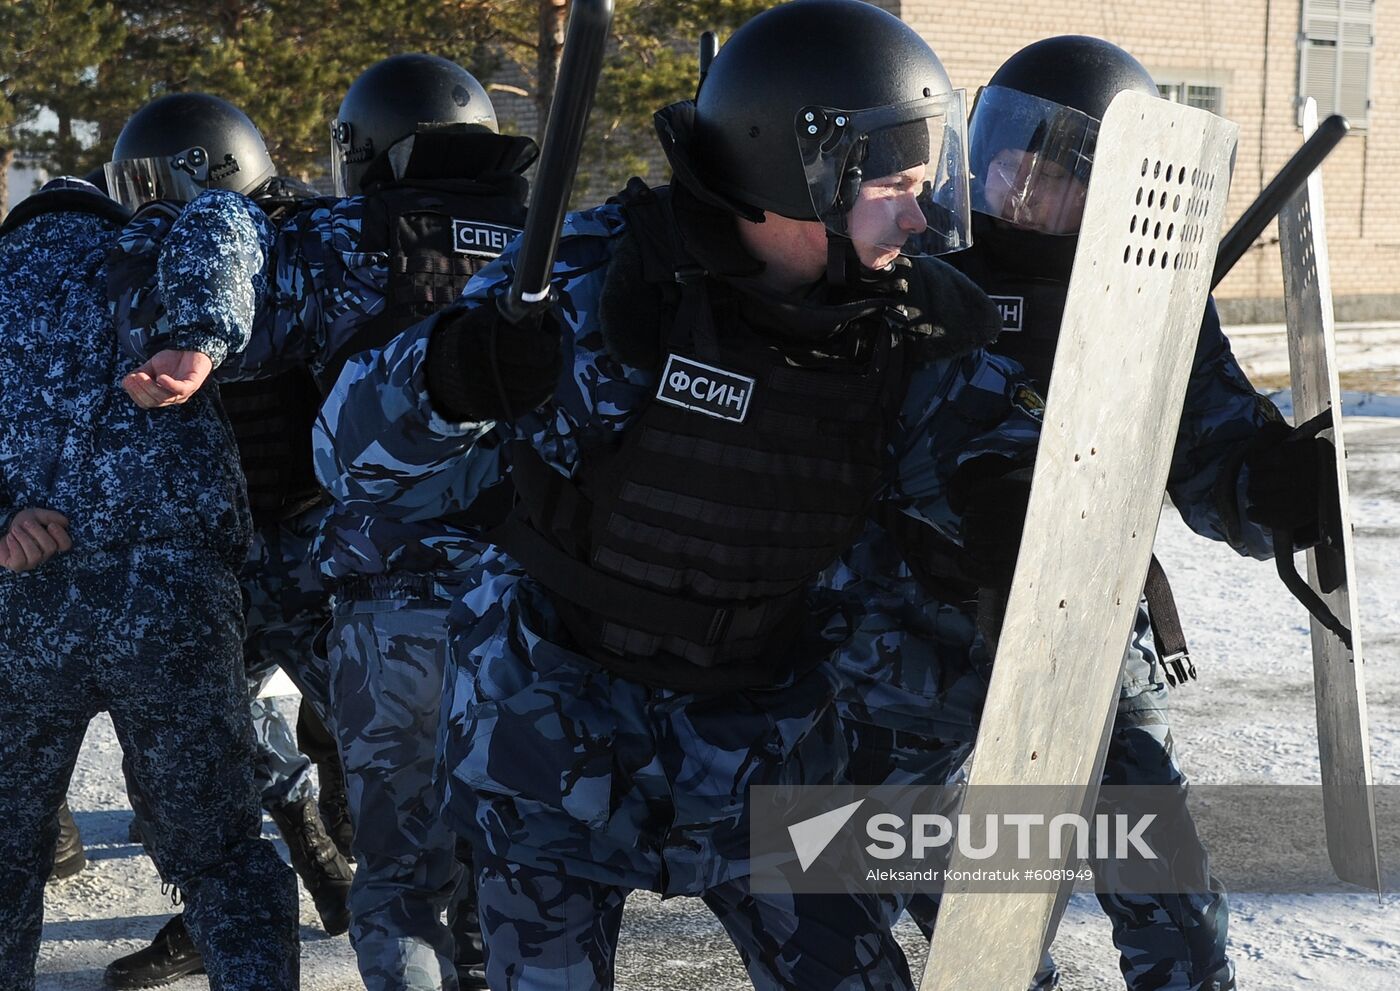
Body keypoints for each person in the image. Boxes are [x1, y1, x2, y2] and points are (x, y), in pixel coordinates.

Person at [314, 3, 1044, 988]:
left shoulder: (895, 320)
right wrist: (452, 376)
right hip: (549, 734)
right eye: (896, 188)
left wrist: (1001, 504)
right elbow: (346, 456)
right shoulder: (595, 280)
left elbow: (975, 447)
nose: (918, 218)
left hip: (758, 739)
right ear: (797, 175)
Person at [831, 36, 1334, 991]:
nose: (1012, 173)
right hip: (905, 628)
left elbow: (1214, 458)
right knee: (909, 875)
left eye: (1052, 162)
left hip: (1087, 628)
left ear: (1112, 188)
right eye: (1006, 141)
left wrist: (1269, 487)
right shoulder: (908, 261)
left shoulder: (1152, 297)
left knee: (1164, 886)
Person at [124, 54, 537, 991]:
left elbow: (244, 333)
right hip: (539, 602)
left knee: (401, 882)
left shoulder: (338, 238)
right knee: (524, 868)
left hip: (387, 600)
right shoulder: (560, 241)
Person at [0, 169, 299, 989]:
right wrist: (201, 337)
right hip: (171, 591)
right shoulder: (146, 251)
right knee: (220, 855)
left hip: (27, 606)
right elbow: (227, 216)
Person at [98, 92, 354, 990]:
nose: (140, 203)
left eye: (150, 181)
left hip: (320, 544)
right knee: (204, 751)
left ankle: (425, 913)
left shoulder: (317, 246)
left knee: (396, 743)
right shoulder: (149, 266)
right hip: (227, 556)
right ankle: (268, 888)